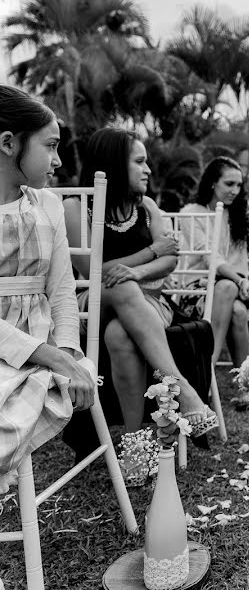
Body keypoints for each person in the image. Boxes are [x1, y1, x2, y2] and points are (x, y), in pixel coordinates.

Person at [63, 128, 219, 454]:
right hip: (93, 302)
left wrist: (135, 271)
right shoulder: (77, 207)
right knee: (124, 289)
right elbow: (93, 271)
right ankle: (185, 391)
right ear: (115, 164)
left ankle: (137, 442)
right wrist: (149, 253)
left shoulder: (146, 207)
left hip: (151, 302)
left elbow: (171, 259)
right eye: (139, 161)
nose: (148, 169)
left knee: (120, 335)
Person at [0, 85, 95, 493]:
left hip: (43, 337)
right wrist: (53, 357)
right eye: (50, 146)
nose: (57, 161)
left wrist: (70, 353)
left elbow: (61, 291)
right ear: (8, 143)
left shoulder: (48, 205)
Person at [180, 157, 249, 367]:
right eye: (229, 184)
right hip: (200, 289)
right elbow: (210, 258)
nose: (235, 190)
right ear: (213, 182)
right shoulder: (191, 213)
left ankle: (219, 371)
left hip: (237, 287)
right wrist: (240, 280)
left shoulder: (238, 211)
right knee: (236, 307)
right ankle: (217, 369)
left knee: (235, 302)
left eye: (239, 185)